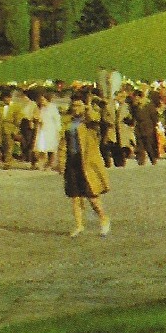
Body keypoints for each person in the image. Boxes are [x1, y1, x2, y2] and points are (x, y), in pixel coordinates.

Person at [56, 96, 111, 237]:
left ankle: (104, 219)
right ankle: (79, 225)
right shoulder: (68, 123)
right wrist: (61, 162)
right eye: (74, 105)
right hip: (72, 161)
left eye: (79, 105)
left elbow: (95, 118)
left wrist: (88, 106)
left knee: (92, 196)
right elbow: (63, 144)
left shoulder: (89, 123)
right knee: (75, 196)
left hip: (87, 163)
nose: (76, 108)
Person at [33, 92, 61, 170]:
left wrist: (58, 130)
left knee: (51, 148)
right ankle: (42, 162)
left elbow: (57, 119)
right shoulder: (41, 108)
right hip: (42, 129)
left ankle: (50, 164)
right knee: (41, 147)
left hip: (51, 130)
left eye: (43, 100)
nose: (42, 101)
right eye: (40, 100)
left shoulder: (52, 108)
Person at [131, 90, 160, 165]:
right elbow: (133, 117)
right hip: (139, 127)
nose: (136, 100)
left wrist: (154, 125)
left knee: (149, 145)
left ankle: (153, 159)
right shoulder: (135, 107)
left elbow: (154, 117)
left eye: (138, 98)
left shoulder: (149, 105)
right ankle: (141, 160)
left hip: (148, 127)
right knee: (139, 144)